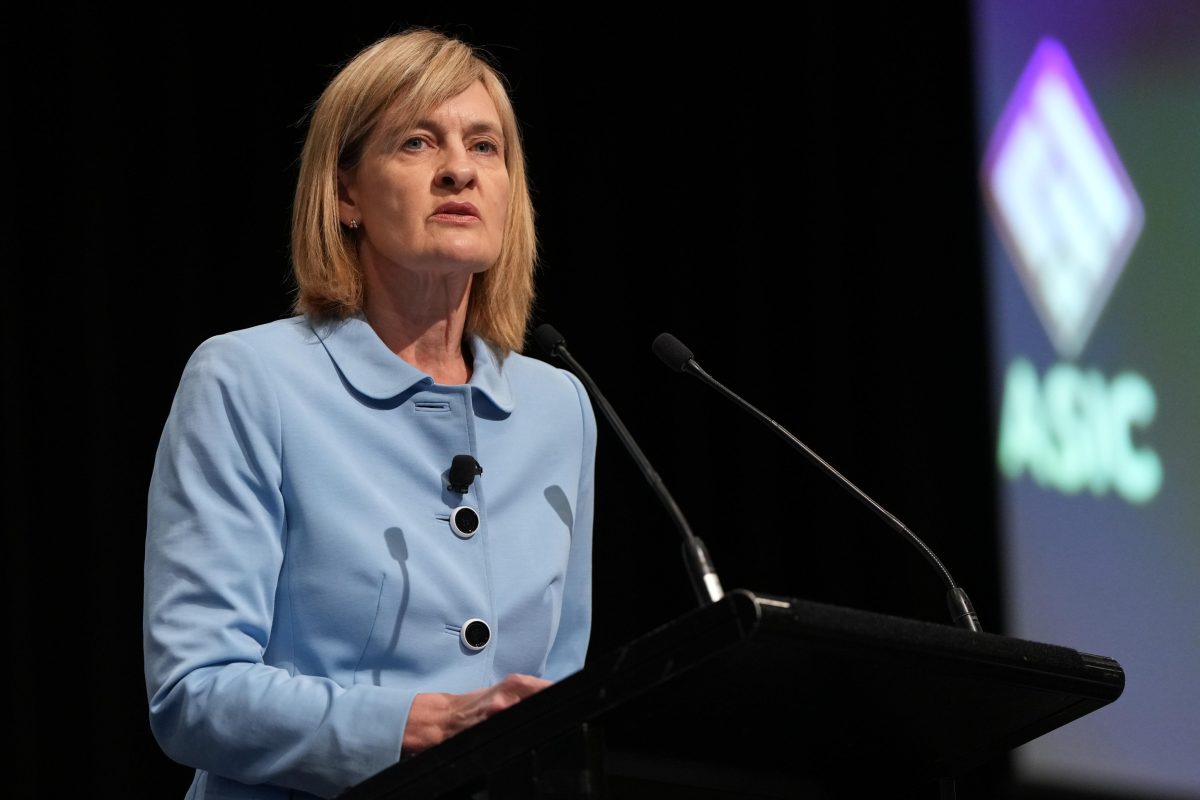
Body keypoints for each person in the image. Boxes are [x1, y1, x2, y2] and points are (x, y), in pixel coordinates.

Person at [142, 26, 598, 800]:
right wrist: (404, 727)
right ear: (346, 193)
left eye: (485, 147)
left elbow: (558, 690)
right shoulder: (251, 381)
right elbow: (194, 693)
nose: (458, 169)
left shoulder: (558, 408)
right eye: (418, 142)